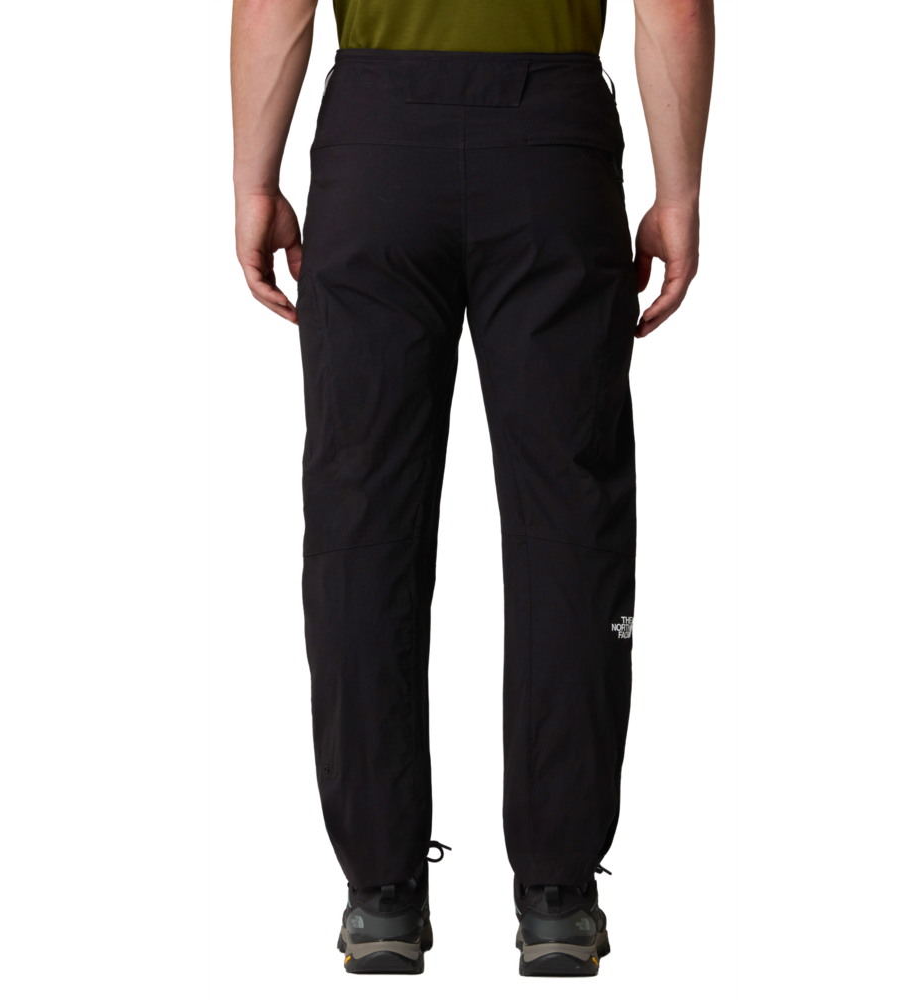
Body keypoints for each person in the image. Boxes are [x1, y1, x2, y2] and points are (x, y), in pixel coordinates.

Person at [230, 0, 716, 979]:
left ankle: (380, 899)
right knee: (570, 513)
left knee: (359, 508)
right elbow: (675, 9)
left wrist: (255, 182)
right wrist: (679, 194)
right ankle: (558, 903)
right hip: (554, 150)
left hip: (374, 146)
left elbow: (274, 6)